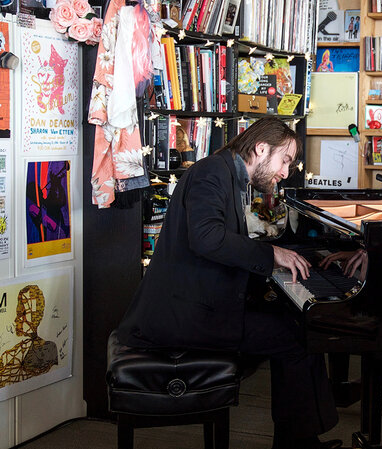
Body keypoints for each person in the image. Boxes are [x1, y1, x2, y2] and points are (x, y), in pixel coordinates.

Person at [115, 117, 340, 449]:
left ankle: (297, 440)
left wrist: (274, 263)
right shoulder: (211, 173)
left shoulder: (225, 174)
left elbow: (222, 246)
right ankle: (298, 443)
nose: (286, 171)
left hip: (195, 307)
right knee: (297, 337)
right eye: (285, 160)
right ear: (261, 148)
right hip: (183, 318)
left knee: (291, 323)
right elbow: (207, 238)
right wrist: (272, 256)